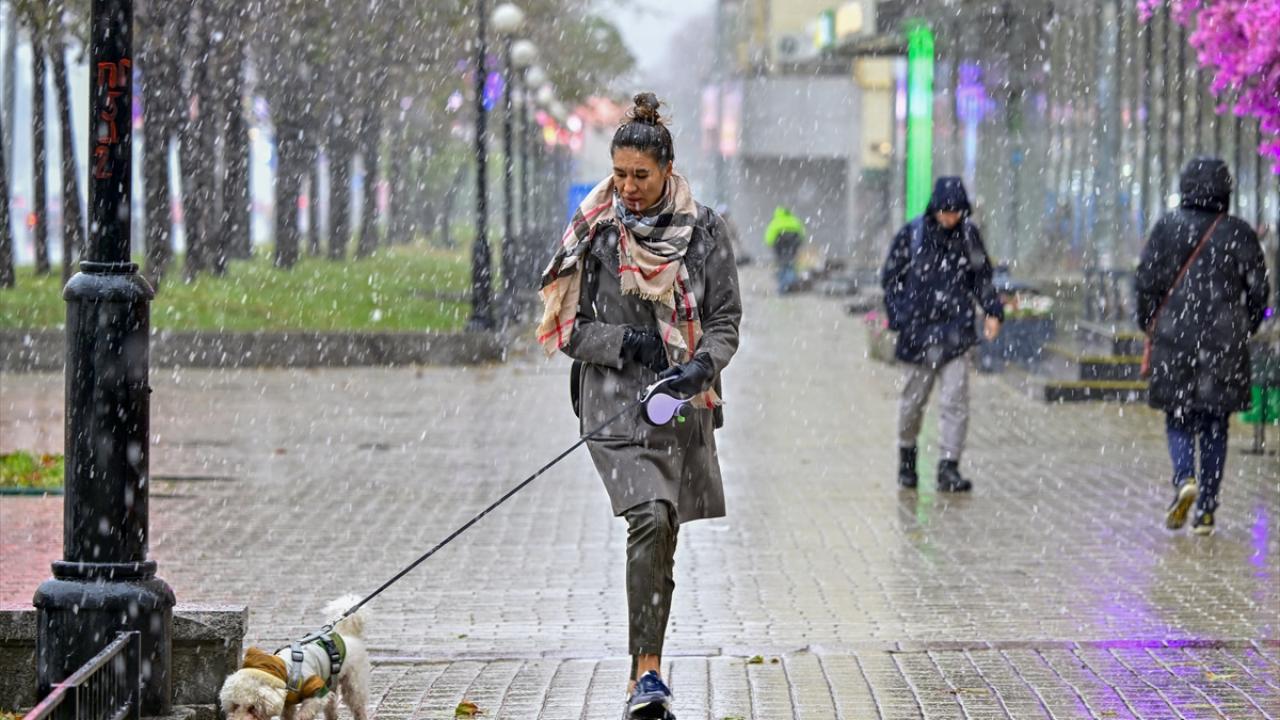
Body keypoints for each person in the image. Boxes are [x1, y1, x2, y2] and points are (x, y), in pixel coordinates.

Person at [536, 92, 742, 720]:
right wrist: (629, 342)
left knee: (663, 535)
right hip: (611, 408)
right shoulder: (594, 232)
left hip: (680, 405)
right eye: (619, 173)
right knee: (649, 516)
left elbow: (726, 321)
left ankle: (643, 673)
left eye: (640, 176)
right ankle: (647, 674)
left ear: (668, 170)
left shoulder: (705, 232)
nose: (626, 187)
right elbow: (564, 327)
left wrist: (700, 364)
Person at [1135, 157, 1269, 536]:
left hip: (1174, 337)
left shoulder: (1167, 228)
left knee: (1178, 416)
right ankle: (1207, 508)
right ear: (1226, 190)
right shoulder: (1239, 233)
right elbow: (1259, 289)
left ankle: (1184, 479)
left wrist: (1150, 323)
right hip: (1224, 341)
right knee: (1215, 422)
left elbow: (1146, 283)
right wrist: (1247, 324)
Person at [881, 177, 1003, 492]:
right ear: (935, 209)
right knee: (912, 402)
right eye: (946, 211)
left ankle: (949, 466)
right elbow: (891, 278)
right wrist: (899, 317)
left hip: (956, 333)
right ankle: (907, 458)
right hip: (918, 335)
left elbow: (982, 279)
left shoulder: (968, 236)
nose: (951, 218)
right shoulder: (912, 235)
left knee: (955, 402)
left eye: (957, 212)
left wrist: (992, 311)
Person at [764, 205, 806, 293]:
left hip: (780, 246)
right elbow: (802, 235)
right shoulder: (794, 220)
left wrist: (771, 245)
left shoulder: (775, 222)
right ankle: (791, 283)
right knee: (790, 265)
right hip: (793, 244)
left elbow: (769, 237)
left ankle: (784, 287)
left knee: (783, 265)